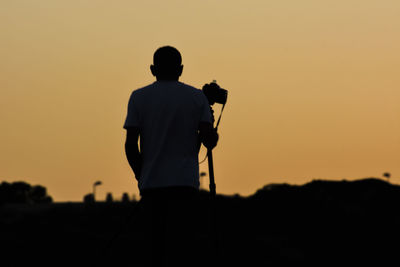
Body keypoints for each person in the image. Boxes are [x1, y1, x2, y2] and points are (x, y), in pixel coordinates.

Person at [123, 46, 218, 267]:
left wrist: (141, 175)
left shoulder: (138, 97)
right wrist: (210, 121)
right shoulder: (197, 98)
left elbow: (130, 145)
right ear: (181, 69)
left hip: (152, 186)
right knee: (182, 249)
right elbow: (209, 141)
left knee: (153, 249)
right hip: (185, 186)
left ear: (152, 69)